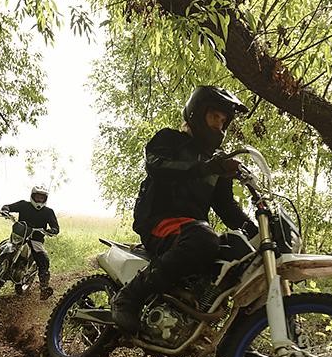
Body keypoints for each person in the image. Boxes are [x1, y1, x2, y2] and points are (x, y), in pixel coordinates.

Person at [111, 85, 258, 334]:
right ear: (197, 113)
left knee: (243, 251)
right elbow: (157, 166)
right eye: (215, 117)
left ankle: (237, 338)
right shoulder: (169, 139)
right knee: (204, 237)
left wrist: (256, 231)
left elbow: (226, 207)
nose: (219, 125)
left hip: (190, 230)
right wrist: (206, 167)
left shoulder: (216, 162)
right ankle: (129, 297)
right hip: (158, 220)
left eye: (224, 121)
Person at [0, 185, 60, 299]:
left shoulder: (48, 212)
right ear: (32, 196)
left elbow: (55, 226)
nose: (39, 200)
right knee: (4, 246)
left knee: (44, 259)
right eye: (37, 197)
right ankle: (2, 267)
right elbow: (8, 206)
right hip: (20, 235)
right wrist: (5, 210)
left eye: (42, 198)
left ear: (45, 199)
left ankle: (44, 288)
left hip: (36, 239)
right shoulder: (24, 205)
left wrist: (52, 230)